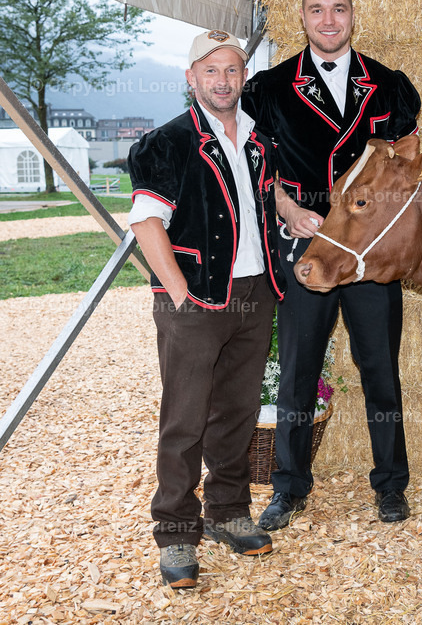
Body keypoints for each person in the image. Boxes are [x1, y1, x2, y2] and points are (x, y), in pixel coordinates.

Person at [243, 0, 421, 530]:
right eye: (317, 9)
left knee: (380, 372)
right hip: (307, 248)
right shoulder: (269, 89)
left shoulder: (388, 86)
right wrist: (289, 211)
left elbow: (402, 167)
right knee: (298, 370)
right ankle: (289, 488)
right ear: (301, 16)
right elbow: (257, 170)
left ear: (352, 14)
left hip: (367, 255)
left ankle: (391, 485)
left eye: (338, 9)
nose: (328, 20)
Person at [128, 29, 286, 589]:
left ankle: (227, 510)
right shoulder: (165, 143)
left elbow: (266, 196)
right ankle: (174, 532)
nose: (223, 81)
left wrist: (300, 214)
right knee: (185, 420)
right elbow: (148, 223)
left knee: (237, 412)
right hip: (194, 300)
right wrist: (176, 290)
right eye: (211, 70)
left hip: (253, 293)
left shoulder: (259, 141)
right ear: (191, 79)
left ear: (244, 77)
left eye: (233, 70)